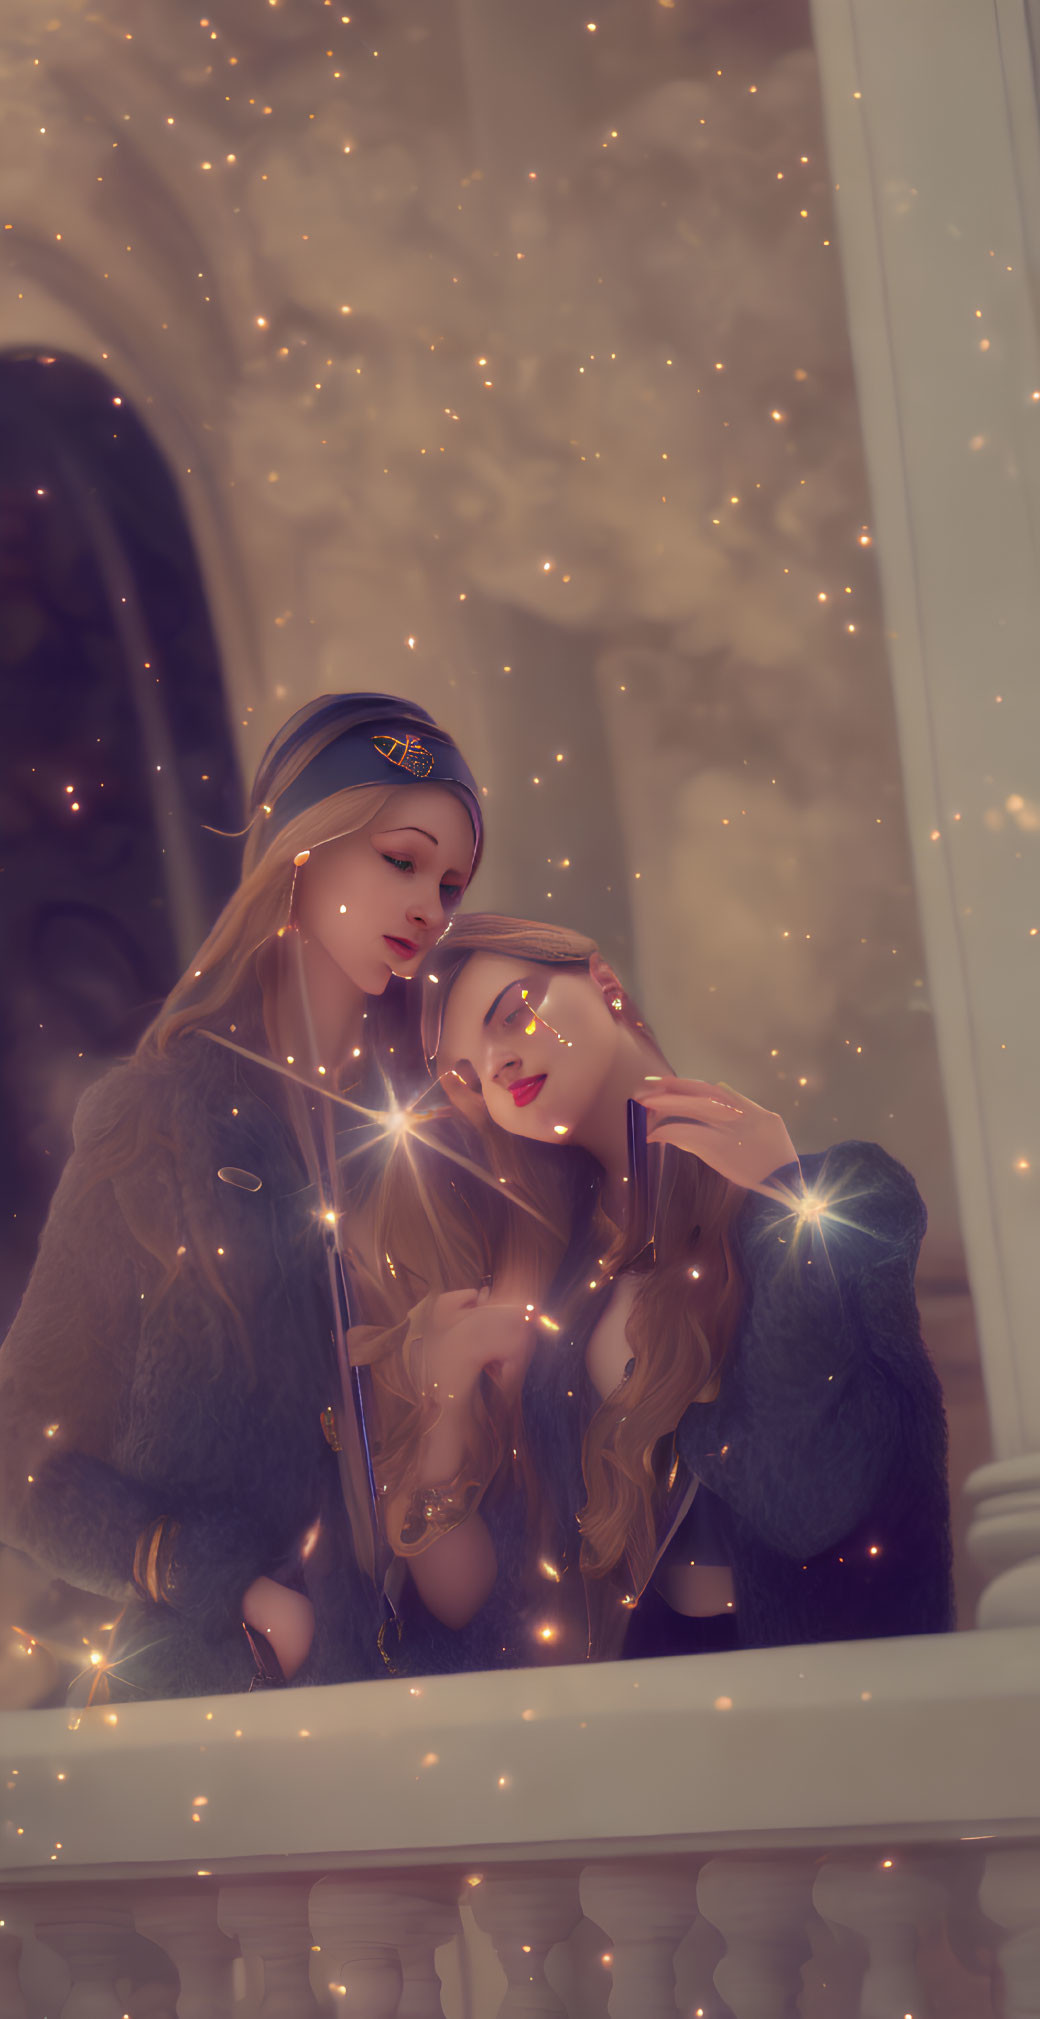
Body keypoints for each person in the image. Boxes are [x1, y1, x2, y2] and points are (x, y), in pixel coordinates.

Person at [0, 693, 499, 1700]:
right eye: (400, 860)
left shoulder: (436, 1130)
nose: (429, 908)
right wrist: (218, 1584)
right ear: (302, 852)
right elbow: (24, 1455)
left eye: (450, 884)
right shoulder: (152, 1116)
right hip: (214, 1702)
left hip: (424, 1700)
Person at [360, 915, 954, 1665]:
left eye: (512, 1012)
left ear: (604, 983)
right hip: (647, 1707)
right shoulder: (556, 1295)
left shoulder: (846, 1195)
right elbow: (489, 1602)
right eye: (469, 1076)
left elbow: (810, 1493)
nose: (499, 1062)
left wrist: (782, 1197)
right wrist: (442, 1405)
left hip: (830, 1693)